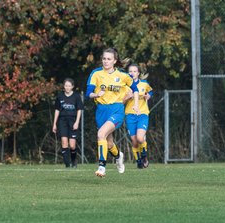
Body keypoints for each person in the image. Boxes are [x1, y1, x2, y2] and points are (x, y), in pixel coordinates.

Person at [86, 48, 140, 177]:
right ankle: (118, 156)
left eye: (109, 59)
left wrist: (136, 105)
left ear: (115, 61)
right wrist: (96, 94)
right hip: (101, 110)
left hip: (116, 110)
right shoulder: (96, 74)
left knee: (100, 134)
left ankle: (101, 167)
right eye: (104, 58)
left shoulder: (122, 76)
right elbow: (88, 93)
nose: (106, 61)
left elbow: (135, 88)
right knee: (108, 143)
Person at [123, 64, 153, 169]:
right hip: (130, 115)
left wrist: (148, 96)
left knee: (140, 138)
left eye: (134, 71)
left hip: (142, 114)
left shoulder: (144, 84)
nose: (132, 73)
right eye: (130, 71)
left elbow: (150, 92)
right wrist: (127, 97)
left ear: (138, 73)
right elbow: (121, 102)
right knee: (134, 141)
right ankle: (138, 161)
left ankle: (144, 156)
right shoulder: (125, 87)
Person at [52, 78, 83, 168]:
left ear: (72, 87)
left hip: (73, 121)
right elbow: (57, 110)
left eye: (69, 86)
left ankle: (74, 161)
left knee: (72, 145)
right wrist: (54, 123)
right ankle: (67, 164)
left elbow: (79, 110)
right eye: (66, 86)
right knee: (64, 143)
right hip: (62, 121)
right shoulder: (60, 96)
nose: (67, 87)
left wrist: (77, 122)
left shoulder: (76, 96)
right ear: (64, 86)